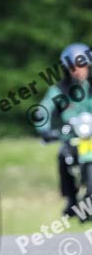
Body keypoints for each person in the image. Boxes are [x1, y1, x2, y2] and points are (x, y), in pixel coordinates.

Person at [36, 43, 92, 215]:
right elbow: (44, 110)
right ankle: (71, 199)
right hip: (72, 135)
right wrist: (44, 129)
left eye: (82, 66)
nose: (78, 71)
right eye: (73, 67)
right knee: (63, 157)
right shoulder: (59, 89)